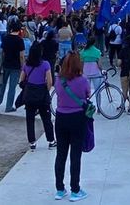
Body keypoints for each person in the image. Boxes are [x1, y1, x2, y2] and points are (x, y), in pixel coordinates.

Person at [53, 51, 91, 202]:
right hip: (77, 118)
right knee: (75, 155)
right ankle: (75, 189)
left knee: (60, 154)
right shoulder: (83, 80)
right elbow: (87, 94)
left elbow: (58, 94)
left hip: (61, 117)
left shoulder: (58, 80)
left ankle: (59, 189)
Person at [20, 41, 55, 150]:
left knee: (30, 119)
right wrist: (46, 90)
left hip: (30, 94)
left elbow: (21, 80)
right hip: (42, 94)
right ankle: (51, 140)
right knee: (46, 119)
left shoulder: (26, 64)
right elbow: (50, 81)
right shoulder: (45, 64)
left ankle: (32, 142)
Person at [0, 21, 25, 112]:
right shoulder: (20, 40)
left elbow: (1, 51)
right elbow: (21, 55)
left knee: (2, 84)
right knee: (12, 87)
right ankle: (8, 106)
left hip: (5, 64)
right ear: (19, 30)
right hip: (15, 66)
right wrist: (22, 66)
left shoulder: (6, 38)